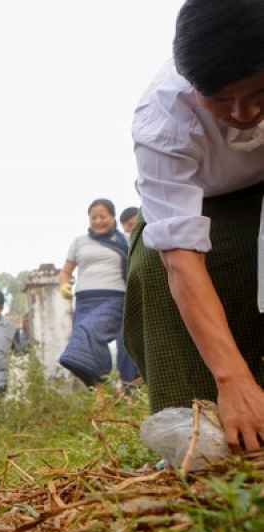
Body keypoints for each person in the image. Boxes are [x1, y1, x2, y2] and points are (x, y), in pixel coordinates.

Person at [123, 0, 264, 453]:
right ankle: (202, 443)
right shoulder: (164, 118)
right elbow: (182, 259)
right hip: (203, 200)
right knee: (153, 272)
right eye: (220, 99)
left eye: (259, 93)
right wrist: (233, 377)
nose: (242, 112)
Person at [58, 198, 138, 388]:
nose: (98, 221)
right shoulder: (79, 242)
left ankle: (127, 387)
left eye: (102, 216)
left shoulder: (125, 240)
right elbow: (66, 272)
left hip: (114, 298)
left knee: (86, 333)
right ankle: (100, 389)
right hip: (84, 300)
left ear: (112, 217)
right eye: (93, 217)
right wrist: (64, 285)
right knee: (92, 344)